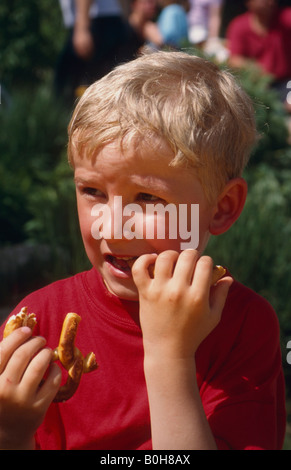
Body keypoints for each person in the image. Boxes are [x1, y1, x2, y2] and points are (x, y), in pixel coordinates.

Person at [0, 51, 286, 450]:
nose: (112, 228)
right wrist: (12, 432)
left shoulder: (242, 329)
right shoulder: (40, 323)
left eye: (148, 198)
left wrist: (170, 357)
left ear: (221, 208)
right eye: (93, 191)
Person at [54, 0, 141, 103]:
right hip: (111, 21)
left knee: (68, 91)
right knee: (113, 88)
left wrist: (82, 28)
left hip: (95, 21)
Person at [226, 0, 291, 108]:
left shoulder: (286, 19)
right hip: (257, 85)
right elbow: (234, 60)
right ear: (248, 3)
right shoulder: (239, 25)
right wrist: (256, 69)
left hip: (285, 82)